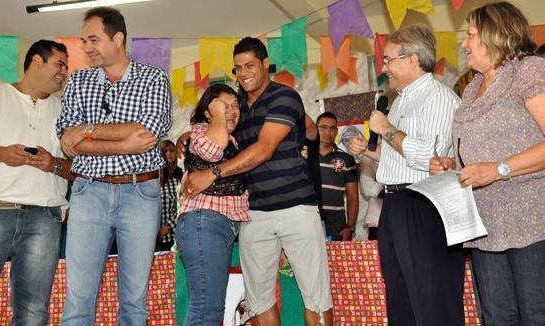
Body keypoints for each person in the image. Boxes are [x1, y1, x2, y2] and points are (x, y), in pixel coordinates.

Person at [181, 37, 333, 325]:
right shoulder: (235, 106)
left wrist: (212, 173)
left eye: (250, 65)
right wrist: (187, 137)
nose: (244, 73)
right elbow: (213, 133)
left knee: (316, 296)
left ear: (266, 64)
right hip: (253, 214)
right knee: (258, 300)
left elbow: (263, 150)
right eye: (238, 68)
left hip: (296, 207)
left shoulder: (284, 97)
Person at [55, 7, 172, 324]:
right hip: (87, 193)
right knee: (78, 300)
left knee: (134, 302)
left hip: (140, 193)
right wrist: (124, 143)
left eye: (93, 39)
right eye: (83, 40)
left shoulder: (153, 78)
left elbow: (149, 131)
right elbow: (67, 138)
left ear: (118, 38)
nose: (86, 47)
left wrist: (88, 130)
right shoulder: (77, 81)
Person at [430, 2, 545, 324]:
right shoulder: (469, 89)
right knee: (495, 316)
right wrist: (451, 165)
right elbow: (477, 153)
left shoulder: (529, 70)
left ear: (498, 33)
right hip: (483, 223)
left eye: (470, 34)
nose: (464, 43)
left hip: (531, 217)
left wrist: (498, 169)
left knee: (535, 314)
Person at [349, 24, 464, 325]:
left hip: (425, 202)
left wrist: (386, 129)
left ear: (412, 60)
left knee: (433, 298)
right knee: (401, 299)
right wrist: (370, 150)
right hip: (395, 203)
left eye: (388, 60)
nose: (384, 67)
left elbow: (430, 158)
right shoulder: (401, 99)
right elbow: (399, 157)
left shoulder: (437, 97)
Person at [0, 40, 75, 325]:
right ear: (36, 62)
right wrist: (2, 153)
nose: (65, 72)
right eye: (60, 64)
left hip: (46, 216)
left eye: (67, 67)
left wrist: (52, 164)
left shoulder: (67, 111)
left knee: (33, 310)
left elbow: (82, 169)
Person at [177, 83, 249, 325]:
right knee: (206, 308)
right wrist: (218, 116)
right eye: (223, 105)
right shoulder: (201, 132)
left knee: (211, 307)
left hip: (216, 226)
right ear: (208, 111)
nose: (231, 111)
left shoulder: (234, 139)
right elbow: (213, 151)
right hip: (203, 222)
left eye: (235, 106)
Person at [316, 112, 358, 241]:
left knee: (335, 262)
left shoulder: (347, 159)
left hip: (336, 225)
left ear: (337, 131)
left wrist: (349, 228)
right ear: (315, 128)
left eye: (332, 128)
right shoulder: (305, 155)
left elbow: (353, 197)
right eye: (323, 127)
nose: (328, 131)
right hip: (308, 223)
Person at [157, 140, 183, 252]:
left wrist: (167, 226)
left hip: (171, 235)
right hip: (152, 235)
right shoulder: (153, 179)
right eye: (165, 151)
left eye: (171, 150)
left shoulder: (179, 176)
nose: (168, 154)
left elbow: (182, 206)